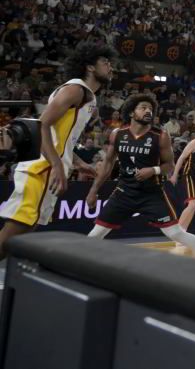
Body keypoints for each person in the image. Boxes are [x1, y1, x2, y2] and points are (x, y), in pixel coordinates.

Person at [0, 43, 112, 259]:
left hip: (47, 168)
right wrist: (57, 165)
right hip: (40, 168)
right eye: (105, 62)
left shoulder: (88, 97)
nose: (110, 67)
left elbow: (60, 138)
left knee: (22, 233)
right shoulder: (75, 89)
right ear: (89, 67)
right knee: (12, 235)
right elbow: (41, 125)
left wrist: (79, 163)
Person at [84, 93, 195, 263]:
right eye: (143, 108)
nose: (148, 111)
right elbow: (107, 164)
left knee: (176, 233)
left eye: (150, 108)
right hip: (124, 192)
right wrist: (93, 190)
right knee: (97, 232)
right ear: (131, 113)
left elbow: (170, 165)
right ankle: (75, 263)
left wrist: (153, 170)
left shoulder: (160, 135)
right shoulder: (118, 134)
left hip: (152, 193)